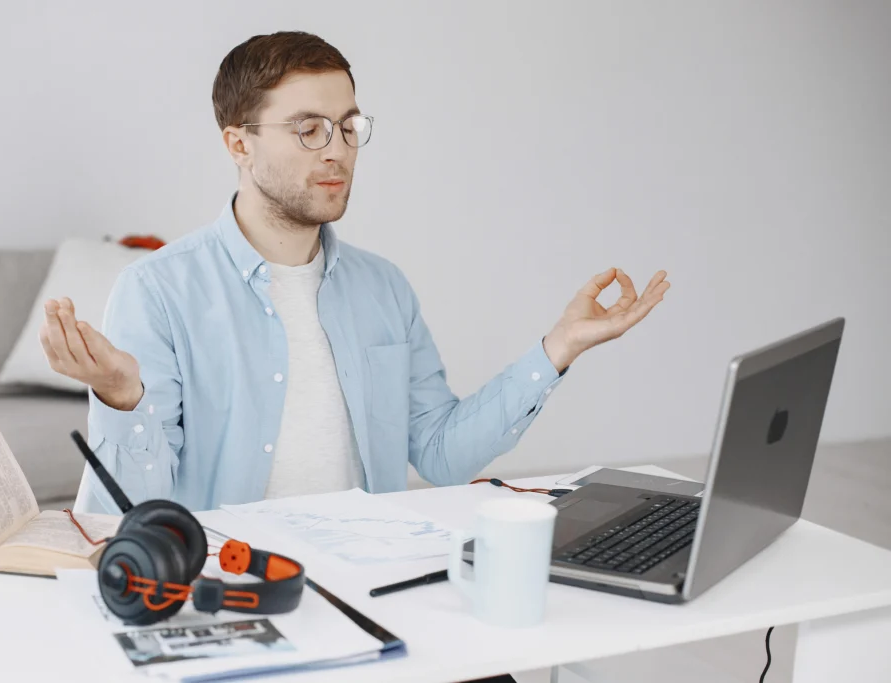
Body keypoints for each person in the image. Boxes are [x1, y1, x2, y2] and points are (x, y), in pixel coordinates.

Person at [41, 31, 670, 516]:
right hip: (236, 592)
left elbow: (442, 454)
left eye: (347, 126)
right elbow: (134, 513)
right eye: (308, 129)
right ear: (239, 144)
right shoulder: (157, 292)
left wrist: (556, 349)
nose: (338, 149)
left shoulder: (383, 287)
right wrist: (123, 399)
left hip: (369, 578)